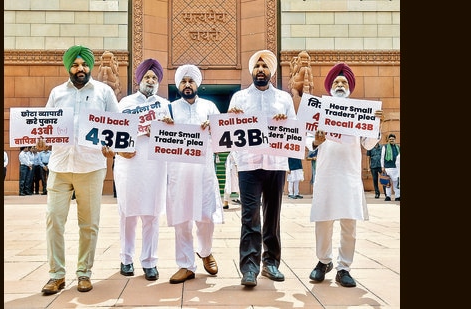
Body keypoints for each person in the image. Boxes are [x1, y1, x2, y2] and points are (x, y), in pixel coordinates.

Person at [40, 45, 119, 295]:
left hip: (91, 165)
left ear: (90, 66)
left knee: (89, 224)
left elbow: (116, 125)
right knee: (54, 220)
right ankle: (57, 275)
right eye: (75, 65)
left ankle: (84, 273)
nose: (80, 69)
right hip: (60, 164)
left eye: (84, 64)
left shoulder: (103, 92)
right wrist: (41, 138)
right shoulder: (56, 93)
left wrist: (112, 146)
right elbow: (44, 125)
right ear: (68, 68)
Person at [308, 62, 382, 288]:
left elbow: (368, 145)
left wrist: (376, 123)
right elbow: (307, 142)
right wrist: (316, 141)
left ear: (349, 87)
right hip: (327, 174)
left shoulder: (359, 113)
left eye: (344, 82)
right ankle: (323, 261)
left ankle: (344, 268)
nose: (340, 84)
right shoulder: (318, 112)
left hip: (349, 175)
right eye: (337, 82)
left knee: (349, 223)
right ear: (330, 87)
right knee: (323, 220)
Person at [228, 50, 295, 287]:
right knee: (250, 216)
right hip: (248, 164)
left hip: (276, 164)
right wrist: (232, 117)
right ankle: (249, 267)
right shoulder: (239, 98)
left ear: (271, 71)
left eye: (265, 66)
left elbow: (294, 131)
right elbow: (229, 131)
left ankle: (271, 263)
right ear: (251, 71)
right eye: (257, 66)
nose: (260, 70)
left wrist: (284, 122)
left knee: (273, 215)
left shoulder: (284, 99)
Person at [160, 64, 223, 284]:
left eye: (191, 81)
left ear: (198, 84)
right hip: (178, 173)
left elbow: (222, 139)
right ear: (178, 85)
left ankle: (205, 252)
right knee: (181, 218)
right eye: (183, 81)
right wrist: (163, 125)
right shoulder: (168, 109)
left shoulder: (210, 107)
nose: (188, 85)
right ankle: (186, 264)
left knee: (206, 216)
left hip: (203, 172)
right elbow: (157, 138)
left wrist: (213, 127)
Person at [113, 58, 170, 281]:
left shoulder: (165, 105)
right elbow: (113, 132)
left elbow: (171, 136)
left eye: (154, 78)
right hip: (129, 164)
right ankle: (126, 259)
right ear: (139, 79)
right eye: (147, 76)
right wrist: (119, 150)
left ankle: (150, 262)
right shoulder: (125, 103)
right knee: (127, 214)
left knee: (151, 214)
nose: (150, 80)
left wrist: (156, 131)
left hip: (155, 165)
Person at [380, 133, 400, 201]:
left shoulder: (398, 147)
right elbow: (382, 157)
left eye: (393, 139)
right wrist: (382, 167)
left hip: (396, 168)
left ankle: (397, 196)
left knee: (396, 183)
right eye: (390, 139)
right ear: (388, 140)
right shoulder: (385, 147)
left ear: (395, 139)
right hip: (388, 168)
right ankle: (388, 196)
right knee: (387, 183)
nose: (391, 140)